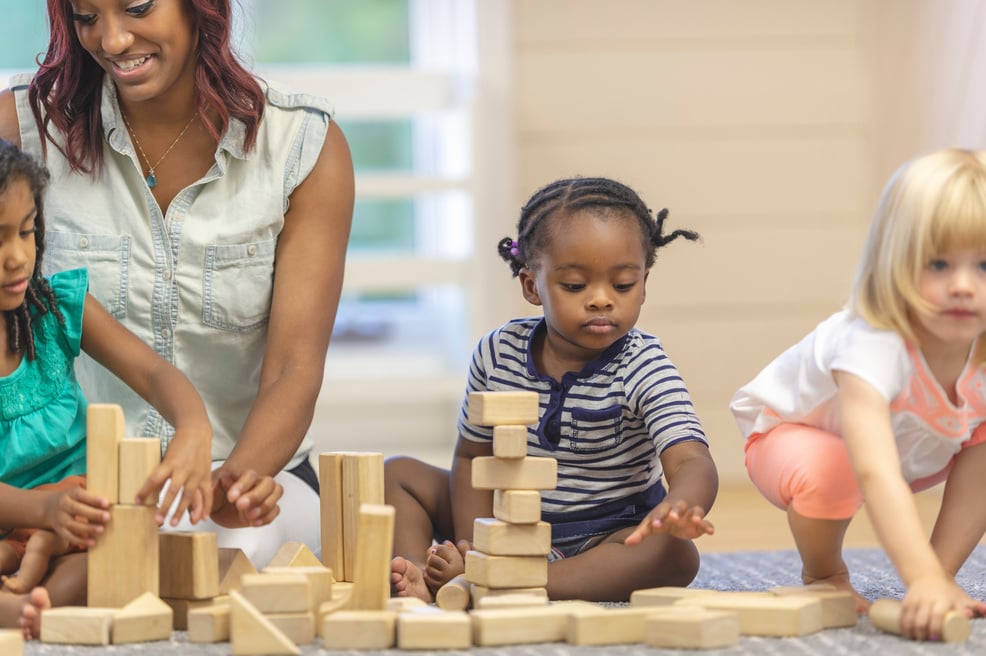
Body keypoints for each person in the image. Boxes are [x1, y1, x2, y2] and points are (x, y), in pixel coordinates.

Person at [0, 0, 355, 567]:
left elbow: (294, 370)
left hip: (239, 475)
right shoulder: (21, 130)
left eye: (137, 7)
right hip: (77, 488)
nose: (111, 40)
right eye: (86, 17)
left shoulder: (301, 147)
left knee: (214, 552)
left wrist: (232, 486)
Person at [386, 176, 719, 603]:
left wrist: (682, 504)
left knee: (676, 556)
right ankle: (420, 575)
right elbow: (472, 457)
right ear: (531, 286)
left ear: (644, 283)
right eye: (576, 286)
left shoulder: (644, 364)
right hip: (507, 521)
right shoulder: (497, 352)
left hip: (603, 534)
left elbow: (690, 456)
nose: (601, 299)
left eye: (622, 285)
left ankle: (513, 583)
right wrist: (478, 545)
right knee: (399, 475)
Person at [731, 148, 986, 641]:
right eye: (937, 264)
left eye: (984, 265)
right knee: (837, 466)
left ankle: (942, 570)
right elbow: (873, 468)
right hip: (794, 443)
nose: (962, 286)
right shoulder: (874, 341)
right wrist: (918, 579)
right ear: (894, 263)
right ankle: (825, 574)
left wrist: (931, 579)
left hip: (910, 448)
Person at [0, 139, 212, 638]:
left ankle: (42, 607)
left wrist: (194, 426)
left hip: (78, 519)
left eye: (27, 232)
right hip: (18, 515)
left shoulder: (52, 310)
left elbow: (156, 375)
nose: (16, 257)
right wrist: (41, 510)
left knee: (122, 543)